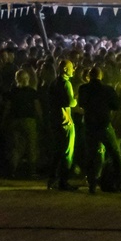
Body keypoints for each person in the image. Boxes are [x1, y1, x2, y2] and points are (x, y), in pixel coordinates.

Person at [78, 65, 121, 194]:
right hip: (104, 124)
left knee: (91, 154)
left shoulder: (83, 88)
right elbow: (116, 106)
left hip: (89, 125)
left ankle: (92, 184)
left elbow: (81, 104)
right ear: (101, 76)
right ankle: (119, 182)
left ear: (89, 76)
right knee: (115, 153)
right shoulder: (108, 89)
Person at [46, 59, 78, 190]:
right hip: (65, 121)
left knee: (57, 151)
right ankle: (64, 182)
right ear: (65, 69)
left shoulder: (53, 83)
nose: (73, 70)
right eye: (71, 67)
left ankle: (52, 178)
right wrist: (76, 100)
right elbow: (70, 102)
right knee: (67, 153)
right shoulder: (66, 83)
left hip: (55, 120)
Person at [5, 69, 41, 178]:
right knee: (31, 146)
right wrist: (41, 119)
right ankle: (32, 171)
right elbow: (37, 107)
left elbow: (8, 107)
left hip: (15, 121)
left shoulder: (12, 92)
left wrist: (4, 120)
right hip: (29, 121)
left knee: (16, 147)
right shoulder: (32, 92)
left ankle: (12, 170)